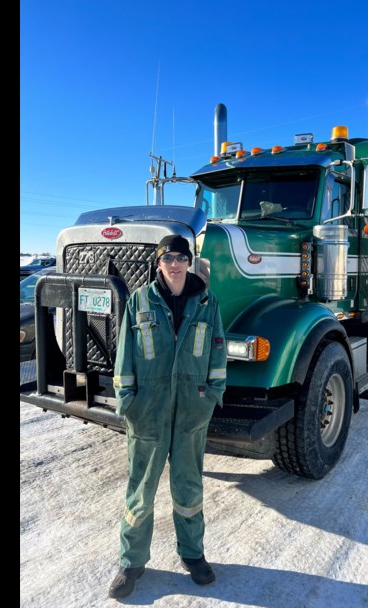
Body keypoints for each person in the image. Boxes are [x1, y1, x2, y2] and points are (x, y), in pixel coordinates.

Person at [108, 234, 227, 599]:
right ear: (158, 263)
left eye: (180, 257)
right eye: (166, 258)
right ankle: (131, 562)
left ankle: (193, 554)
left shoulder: (208, 303)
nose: (174, 264)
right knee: (140, 491)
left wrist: (213, 396)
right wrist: (127, 401)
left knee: (189, 486)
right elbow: (125, 355)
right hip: (149, 412)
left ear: (189, 262)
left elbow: (217, 356)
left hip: (192, 409)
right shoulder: (140, 301)